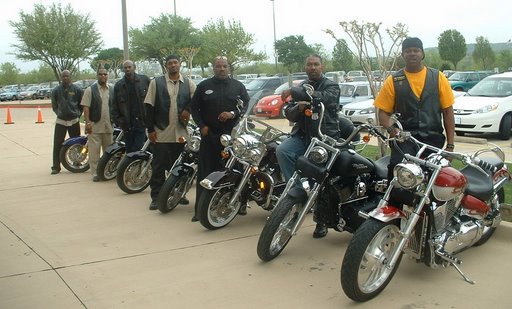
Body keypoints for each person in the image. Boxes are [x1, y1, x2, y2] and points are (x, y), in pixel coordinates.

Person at [276, 54, 341, 239]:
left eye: (316, 64)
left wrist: (296, 93)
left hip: (323, 138)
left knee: (322, 178)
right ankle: (297, 193)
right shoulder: (301, 86)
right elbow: (288, 112)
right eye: (309, 64)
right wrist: (297, 108)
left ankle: (321, 222)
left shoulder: (331, 86)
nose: (312, 67)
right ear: (305, 67)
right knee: (283, 150)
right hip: (303, 135)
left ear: (322, 66)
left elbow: (323, 99)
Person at [374, 37, 455, 181]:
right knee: (399, 174)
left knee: (435, 179)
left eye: (416, 50)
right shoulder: (394, 80)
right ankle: (394, 202)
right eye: (408, 51)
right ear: (402, 55)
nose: (412, 54)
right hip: (405, 141)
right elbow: (383, 113)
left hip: (433, 140)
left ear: (422, 54)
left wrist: (450, 145)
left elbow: (448, 112)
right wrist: (392, 130)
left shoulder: (438, 77)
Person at [190, 56, 250, 222]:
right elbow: (194, 108)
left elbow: (246, 106)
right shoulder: (204, 86)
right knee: (205, 172)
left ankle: (240, 204)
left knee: (236, 170)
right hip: (209, 135)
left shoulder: (238, 86)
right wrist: (202, 126)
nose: (221, 69)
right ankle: (199, 211)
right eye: (218, 66)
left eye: (224, 66)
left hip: (231, 137)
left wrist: (232, 114)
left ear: (228, 68)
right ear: (213, 68)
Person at [144, 55, 197, 211]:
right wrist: (151, 129)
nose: (173, 65)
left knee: (181, 166)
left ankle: (179, 194)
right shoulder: (156, 83)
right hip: (161, 131)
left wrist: (187, 110)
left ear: (180, 65)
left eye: (176, 63)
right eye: (170, 63)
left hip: (181, 133)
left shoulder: (188, 84)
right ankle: (156, 197)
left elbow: (197, 101)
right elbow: (149, 107)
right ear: (166, 66)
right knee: (159, 165)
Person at [81, 65, 114, 182]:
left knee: (108, 151)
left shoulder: (112, 89)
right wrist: (88, 122)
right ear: (97, 76)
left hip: (108, 125)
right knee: (94, 151)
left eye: (105, 74)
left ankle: (106, 171)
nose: (103, 76)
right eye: (101, 74)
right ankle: (95, 173)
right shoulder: (90, 90)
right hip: (95, 125)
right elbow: (86, 107)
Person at [112, 60, 150, 153]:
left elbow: (152, 99)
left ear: (134, 67)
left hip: (141, 123)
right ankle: (129, 167)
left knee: (138, 149)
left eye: (129, 67)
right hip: (127, 125)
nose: (127, 69)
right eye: (125, 67)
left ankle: (137, 167)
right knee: (129, 151)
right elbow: (114, 106)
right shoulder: (119, 85)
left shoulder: (144, 80)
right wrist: (119, 121)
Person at [50, 70, 84, 175]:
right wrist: (59, 113)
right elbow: (54, 106)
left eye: (67, 76)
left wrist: (77, 114)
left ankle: (77, 162)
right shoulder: (56, 90)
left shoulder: (77, 89)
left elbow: (81, 105)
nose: (65, 78)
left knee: (76, 143)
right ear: (61, 77)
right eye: (63, 76)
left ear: (70, 77)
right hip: (61, 121)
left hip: (74, 121)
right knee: (57, 144)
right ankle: (56, 167)